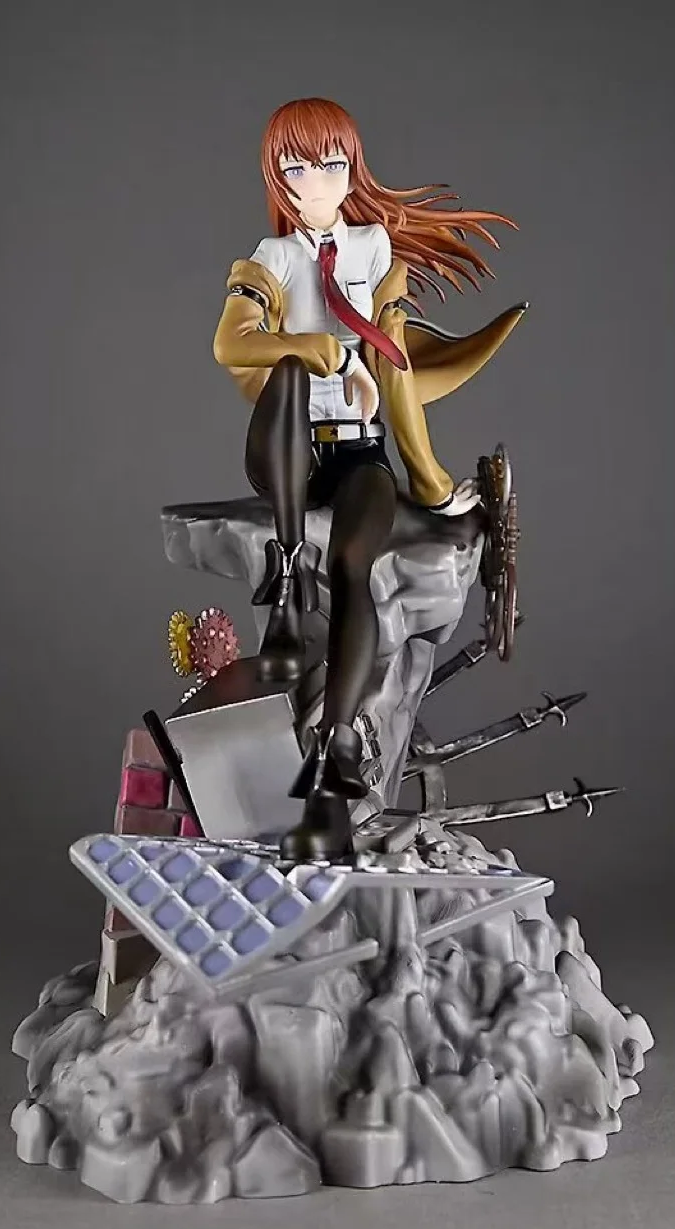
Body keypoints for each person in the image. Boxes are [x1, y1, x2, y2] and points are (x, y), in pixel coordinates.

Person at [212, 97, 525, 859]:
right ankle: (288, 574)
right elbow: (230, 343)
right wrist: (304, 347)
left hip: (358, 452)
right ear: (276, 177)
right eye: (296, 168)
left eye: (331, 165)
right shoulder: (272, 257)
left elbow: (395, 356)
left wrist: (428, 475)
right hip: (287, 450)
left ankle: (335, 753)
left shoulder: (374, 248)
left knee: (356, 564)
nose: (315, 183)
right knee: (289, 373)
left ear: (353, 170)